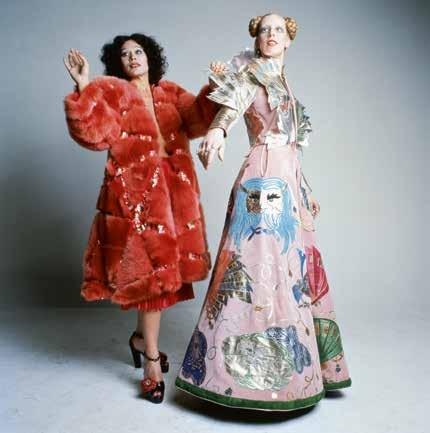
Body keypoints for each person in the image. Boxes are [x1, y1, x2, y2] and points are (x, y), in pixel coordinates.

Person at [175, 13, 351, 411]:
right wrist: (218, 131)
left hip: (288, 182)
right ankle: (242, 378)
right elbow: (233, 104)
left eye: (278, 30)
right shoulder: (250, 73)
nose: (271, 35)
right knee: (256, 267)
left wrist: (305, 190)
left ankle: (295, 371)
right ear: (256, 39)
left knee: (292, 269)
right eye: (264, 30)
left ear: (289, 40)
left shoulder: (284, 81)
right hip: (264, 180)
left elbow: (292, 145)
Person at [63, 33, 218, 403]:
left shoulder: (171, 92)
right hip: (135, 200)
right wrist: (84, 86)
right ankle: (151, 360)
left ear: (150, 57)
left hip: (174, 200)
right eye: (125, 54)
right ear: (118, 63)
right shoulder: (114, 92)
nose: (133, 57)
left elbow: (198, 119)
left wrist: (215, 86)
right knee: (151, 283)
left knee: (162, 281)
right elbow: (94, 133)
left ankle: (138, 339)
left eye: (139, 51)